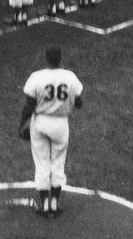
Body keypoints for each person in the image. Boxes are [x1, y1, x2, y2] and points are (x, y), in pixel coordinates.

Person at [19, 48, 84, 217]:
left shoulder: (37, 77)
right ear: (61, 59)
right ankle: (55, 204)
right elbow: (79, 103)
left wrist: (22, 124)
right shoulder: (70, 77)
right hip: (61, 123)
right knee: (58, 162)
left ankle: (45, 204)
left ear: (46, 59)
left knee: (41, 162)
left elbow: (29, 105)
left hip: (40, 122)